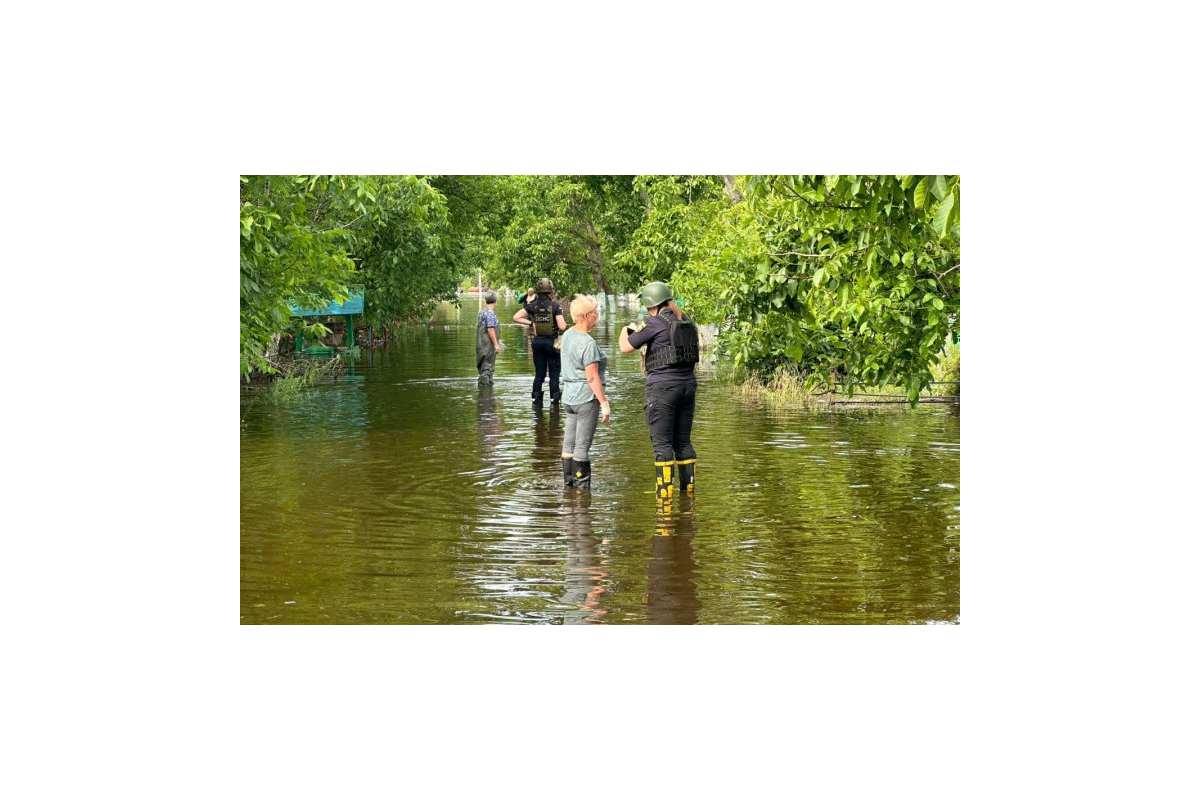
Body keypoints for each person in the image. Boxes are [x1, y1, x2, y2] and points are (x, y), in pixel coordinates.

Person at [619, 281, 699, 497]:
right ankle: (688, 496)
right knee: (683, 441)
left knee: (662, 444)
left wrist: (625, 329)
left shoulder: (654, 323)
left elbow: (625, 347)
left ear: (650, 305)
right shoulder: (687, 320)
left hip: (662, 389)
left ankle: (664, 500)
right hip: (688, 386)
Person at [559, 294, 611, 490]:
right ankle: (582, 497)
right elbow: (592, 377)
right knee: (581, 448)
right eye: (595, 313)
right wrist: (604, 404)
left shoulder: (567, 335)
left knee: (568, 446)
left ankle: (568, 490)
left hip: (569, 397)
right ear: (586, 315)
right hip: (586, 399)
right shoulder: (588, 343)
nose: (597, 316)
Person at [513, 277, 567, 405]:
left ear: (537, 291)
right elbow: (562, 326)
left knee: (539, 374)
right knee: (554, 374)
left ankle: (536, 401)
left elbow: (516, 317)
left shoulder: (532, 306)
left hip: (537, 344)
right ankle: (554, 401)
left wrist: (531, 323)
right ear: (550, 292)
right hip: (552, 344)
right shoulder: (555, 306)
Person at [476, 291, 504, 385]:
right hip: (488, 346)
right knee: (487, 368)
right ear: (495, 301)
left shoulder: (482, 311)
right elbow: (490, 329)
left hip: (481, 345)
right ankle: (486, 395)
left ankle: (483, 393)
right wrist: (496, 344)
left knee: (484, 368)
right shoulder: (490, 313)